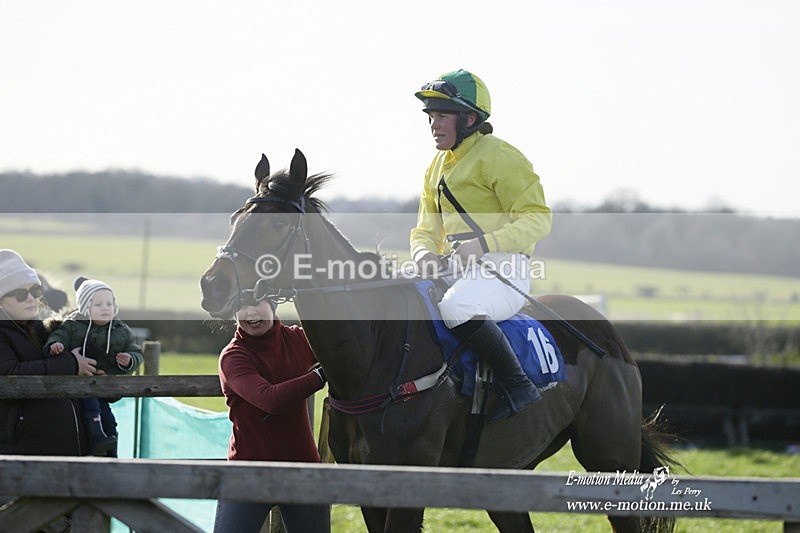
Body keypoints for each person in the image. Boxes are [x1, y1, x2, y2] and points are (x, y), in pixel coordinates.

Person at [410, 69, 553, 422]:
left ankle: (518, 384)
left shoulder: (501, 156)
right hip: (453, 268)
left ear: (469, 118)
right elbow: (424, 230)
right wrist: (423, 253)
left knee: (458, 309)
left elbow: (538, 219)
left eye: (442, 115)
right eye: (431, 116)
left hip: (506, 269)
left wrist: (484, 245)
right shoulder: (435, 168)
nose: (434, 124)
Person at [213, 298, 330, 533]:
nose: (250, 312)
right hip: (247, 473)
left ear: (273, 306)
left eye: (256, 303)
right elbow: (270, 400)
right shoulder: (233, 357)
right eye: (242, 306)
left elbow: (341, 345)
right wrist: (321, 376)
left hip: (303, 469)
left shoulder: (299, 339)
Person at [0, 249, 97, 455]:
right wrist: (70, 364)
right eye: (19, 294)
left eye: (35, 290)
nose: (31, 298)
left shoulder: (40, 329)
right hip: (25, 454)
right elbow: (10, 374)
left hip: (66, 453)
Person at [44, 276, 143, 456]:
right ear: (85, 308)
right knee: (91, 406)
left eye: (109, 303)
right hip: (80, 384)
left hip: (105, 387)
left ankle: (111, 447)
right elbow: (57, 337)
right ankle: (96, 436)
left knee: (108, 417)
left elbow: (137, 352)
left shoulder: (120, 330)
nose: (105, 308)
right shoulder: (72, 325)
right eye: (98, 305)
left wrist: (129, 360)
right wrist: (55, 346)